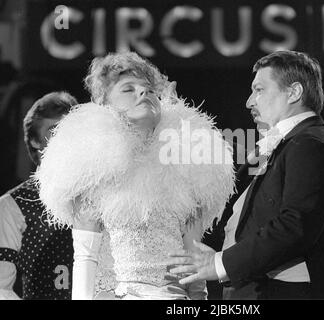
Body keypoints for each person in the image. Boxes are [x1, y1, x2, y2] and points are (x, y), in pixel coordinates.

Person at [35, 52, 235, 300]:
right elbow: (85, 258)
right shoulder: (93, 173)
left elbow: (192, 262)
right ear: (106, 106)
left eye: (150, 90)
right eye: (128, 89)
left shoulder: (187, 170)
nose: (144, 93)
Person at [167, 50, 324, 299]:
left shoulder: (310, 145)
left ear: (294, 92)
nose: (249, 101)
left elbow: (295, 226)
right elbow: (228, 192)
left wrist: (219, 264)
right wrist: (175, 119)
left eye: (259, 90)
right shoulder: (283, 144)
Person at [0, 91, 77, 300]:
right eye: (54, 130)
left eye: (70, 130)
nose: (65, 138)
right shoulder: (13, 205)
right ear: (35, 141)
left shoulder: (104, 195)